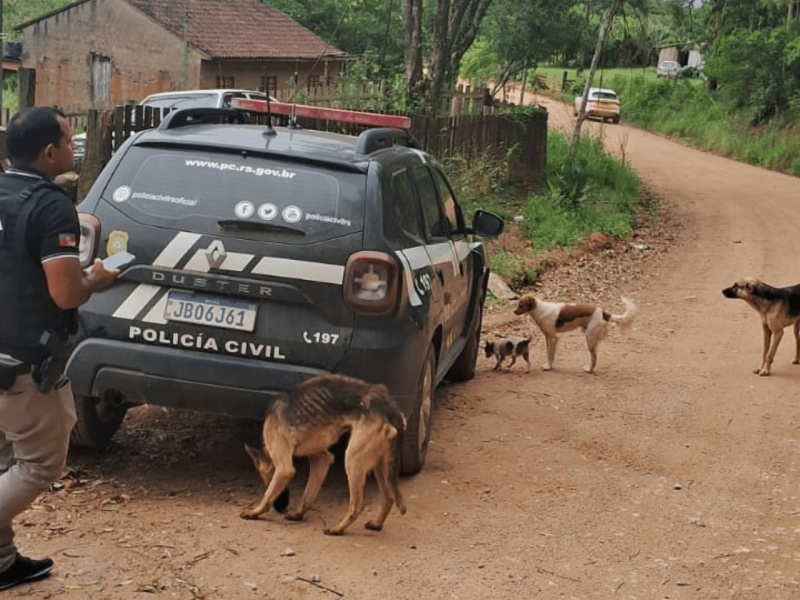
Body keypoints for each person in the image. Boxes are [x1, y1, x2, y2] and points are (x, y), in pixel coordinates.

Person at [0, 107, 119, 592]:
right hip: (23, 362)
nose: (75, 148)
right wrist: (100, 276)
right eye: (70, 142)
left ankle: (3, 561)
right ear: (49, 152)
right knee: (40, 464)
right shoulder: (51, 207)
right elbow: (67, 293)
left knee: (4, 459)